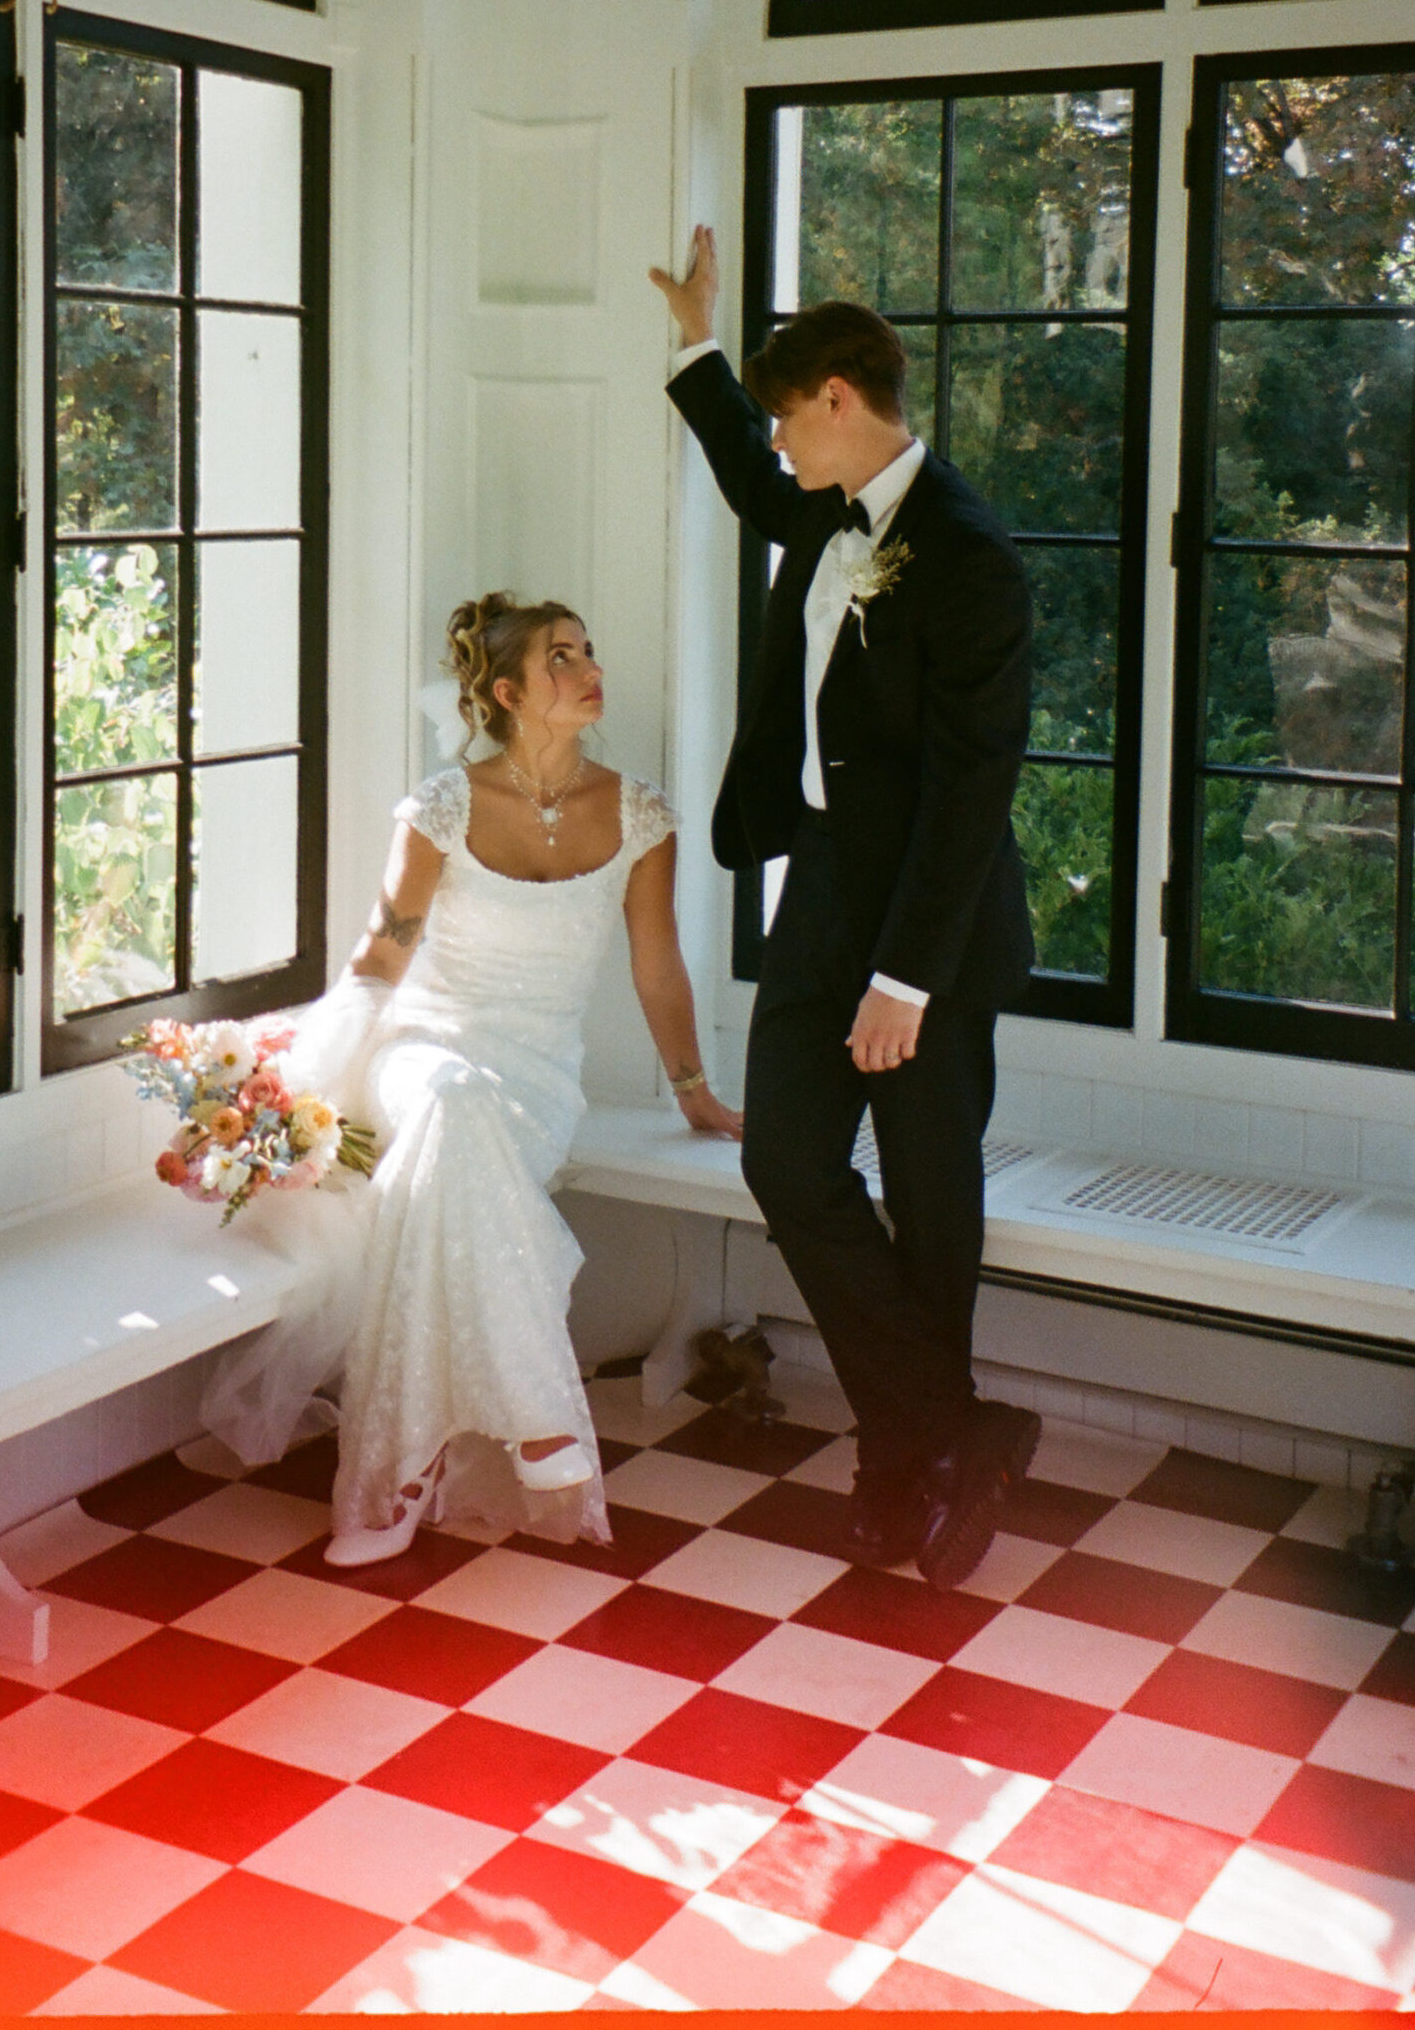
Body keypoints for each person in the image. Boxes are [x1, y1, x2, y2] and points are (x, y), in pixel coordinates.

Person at [649, 225, 1039, 1591]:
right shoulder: (824, 503)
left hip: (927, 936)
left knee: (931, 1206)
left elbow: (971, 795)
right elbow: (756, 490)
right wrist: (697, 343)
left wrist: (906, 982)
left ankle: (901, 1467)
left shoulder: (972, 555)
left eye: (783, 413)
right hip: (817, 893)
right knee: (786, 1165)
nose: (778, 442)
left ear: (837, 399)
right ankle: (957, 1428)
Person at [203, 590, 739, 1566]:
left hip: (537, 1077)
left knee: (452, 1160)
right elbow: (380, 957)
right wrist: (312, 1066)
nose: (588, 671)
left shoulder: (639, 814)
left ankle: (400, 1471)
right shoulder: (440, 809)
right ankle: (538, 1424)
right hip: (420, 1053)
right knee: (448, 1105)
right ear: (506, 690)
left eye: (587, 651)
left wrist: (691, 1088)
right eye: (561, 658)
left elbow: (655, 966)